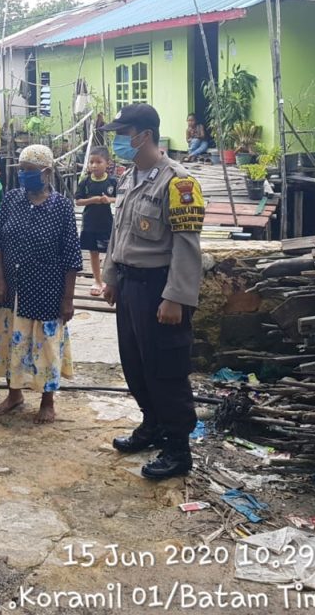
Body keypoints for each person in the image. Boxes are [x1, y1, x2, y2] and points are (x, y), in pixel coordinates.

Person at [100, 104, 205, 480]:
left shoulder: (178, 182)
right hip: (130, 286)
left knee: (166, 369)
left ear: (144, 135)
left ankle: (178, 448)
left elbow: (187, 246)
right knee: (135, 363)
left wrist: (175, 297)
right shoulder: (129, 177)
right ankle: (152, 423)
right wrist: (111, 277)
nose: (117, 140)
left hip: (159, 288)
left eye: (122, 133)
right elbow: (118, 234)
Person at [0, 144, 82, 423]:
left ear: (46, 172)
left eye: (29, 170)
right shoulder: (11, 199)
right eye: (21, 170)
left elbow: (71, 255)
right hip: (13, 288)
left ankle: (47, 400)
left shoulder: (61, 207)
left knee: (46, 345)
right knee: (12, 340)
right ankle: (14, 394)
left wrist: (68, 298)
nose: (23, 175)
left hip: (47, 289)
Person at [74, 146, 118, 297]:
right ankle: (97, 281)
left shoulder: (112, 181)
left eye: (99, 162)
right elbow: (78, 201)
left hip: (106, 222)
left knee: (109, 252)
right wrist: (93, 200)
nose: (94, 165)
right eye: (91, 162)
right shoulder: (85, 182)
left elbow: (120, 198)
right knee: (93, 252)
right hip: (89, 223)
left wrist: (109, 199)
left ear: (107, 163)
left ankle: (108, 280)